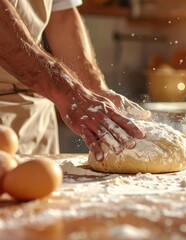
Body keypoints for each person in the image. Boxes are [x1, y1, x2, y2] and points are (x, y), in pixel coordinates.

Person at [0, 0, 151, 161]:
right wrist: (67, 91)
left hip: (35, 114)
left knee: (44, 184)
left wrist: (96, 89)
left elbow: (63, 15)